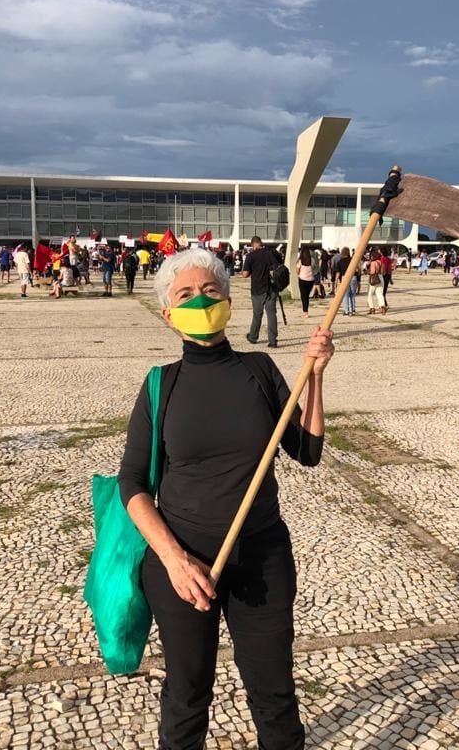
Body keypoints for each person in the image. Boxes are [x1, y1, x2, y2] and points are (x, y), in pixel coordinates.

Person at [118, 248, 332, 750]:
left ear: (229, 300)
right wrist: (173, 560)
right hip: (181, 564)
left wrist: (316, 376)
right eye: (185, 295)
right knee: (187, 694)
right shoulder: (159, 386)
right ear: (168, 315)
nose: (200, 300)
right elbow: (132, 483)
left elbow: (306, 450)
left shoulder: (259, 371)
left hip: (261, 558)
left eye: (210, 291)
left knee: (274, 691)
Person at [241, 236, 279, 348]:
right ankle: (273, 341)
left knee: (257, 315)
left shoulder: (251, 256)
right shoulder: (270, 254)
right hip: (271, 288)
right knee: (271, 314)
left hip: (257, 289)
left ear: (253, 245)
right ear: (261, 243)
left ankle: (253, 337)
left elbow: (245, 274)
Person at [296, 246, 315, 319]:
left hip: (302, 279)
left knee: (303, 297)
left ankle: (305, 312)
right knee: (306, 296)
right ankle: (305, 311)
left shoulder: (300, 261)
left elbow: (297, 271)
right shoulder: (312, 260)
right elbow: (313, 268)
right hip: (311, 280)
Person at [338, 247, 358, 316]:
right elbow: (357, 270)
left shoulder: (340, 261)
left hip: (345, 277)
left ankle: (346, 310)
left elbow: (338, 273)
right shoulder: (353, 260)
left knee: (345, 295)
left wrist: (335, 282)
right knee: (353, 294)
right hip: (353, 277)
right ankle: (353, 309)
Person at [366, 248, 385, 314]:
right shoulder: (380, 262)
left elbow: (373, 272)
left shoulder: (373, 263)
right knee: (379, 294)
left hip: (374, 278)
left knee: (370, 294)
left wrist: (367, 271)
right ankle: (382, 306)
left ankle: (372, 308)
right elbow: (383, 272)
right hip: (380, 277)